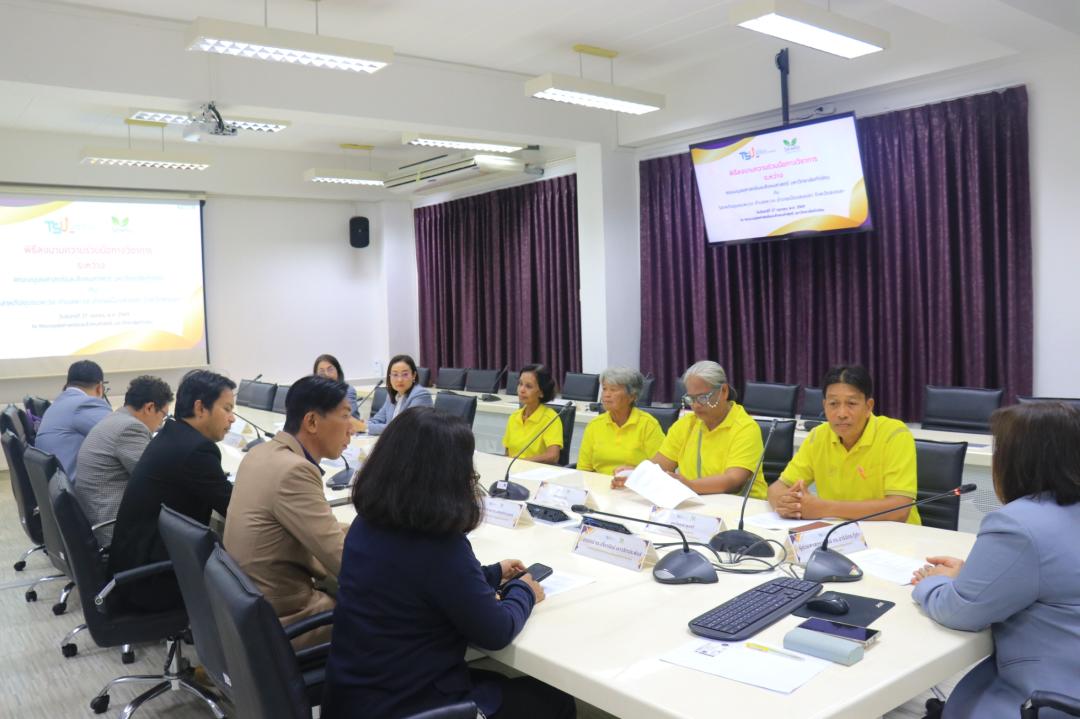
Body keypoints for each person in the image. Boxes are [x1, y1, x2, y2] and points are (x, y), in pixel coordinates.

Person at [322, 407, 576, 719]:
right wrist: (524, 591)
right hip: (409, 705)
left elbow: (420, 583)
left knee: (498, 682)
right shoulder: (440, 546)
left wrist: (492, 574)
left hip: (353, 696)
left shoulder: (366, 523)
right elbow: (496, 632)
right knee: (554, 701)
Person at [911, 402, 1080, 718]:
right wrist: (968, 576)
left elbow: (959, 612)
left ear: (1018, 461)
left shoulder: (1018, 525)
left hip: (1047, 696)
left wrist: (932, 582)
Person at [224, 375, 353, 649]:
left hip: (247, 607)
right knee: (392, 613)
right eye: (345, 416)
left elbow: (319, 528)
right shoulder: (295, 471)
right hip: (284, 619)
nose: (352, 428)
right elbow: (346, 564)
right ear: (312, 421)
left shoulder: (261, 453)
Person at [108, 370, 236, 612]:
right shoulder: (196, 450)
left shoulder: (172, 434)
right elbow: (235, 510)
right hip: (154, 581)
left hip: (132, 567)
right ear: (200, 408)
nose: (232, 419)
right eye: (227, 409)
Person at [768, 364, 920, 524]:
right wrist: (786, 504)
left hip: (893, 534)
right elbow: (777, 488)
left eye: (851, 404)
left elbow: (899, 509)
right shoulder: (818, 436)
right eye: (833, 404)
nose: (841, 414)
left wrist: (824, 508)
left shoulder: (894, 435)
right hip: (837, 531)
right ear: (824, 405)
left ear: (868, 406)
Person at [614, 361, 766, 498]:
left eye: (703, 397)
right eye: (690, 399)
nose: (696, 405)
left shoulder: (745, 428)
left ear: (724, 391)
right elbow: (660, 465)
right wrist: (635, 475)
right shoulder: (685, 425)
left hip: (740, 506)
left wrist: (691, 486)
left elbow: (734, 481)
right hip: (695, 501)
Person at [73, 376, 173, 543]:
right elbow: (156, 480)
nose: (160, 424)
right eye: (163, 416)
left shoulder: (115, 419)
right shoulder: (130, 428)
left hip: (96, 519)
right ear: (149, 408)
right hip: (113, 529)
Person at [34, 360, 112, 482]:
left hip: (57, 484)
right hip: (75, 487)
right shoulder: (85, 404)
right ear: (99, 388)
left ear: (67, 385)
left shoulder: (61, 402)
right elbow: (120, 433)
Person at [577, 367, 664, 475]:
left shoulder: (648, 425)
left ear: (632, 396)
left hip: (634, 482)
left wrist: (635, 473)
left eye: (613, 390)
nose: (606, 395)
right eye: (604, 389)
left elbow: (661, 468)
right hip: (599, 483)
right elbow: (583, 468)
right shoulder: (594, 425)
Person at [355, 354, 432, 436]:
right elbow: (377, 419)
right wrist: (361, 424)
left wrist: (365, 427)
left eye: (405, 374)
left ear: (414, 375)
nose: (399, 380)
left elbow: (403, 428)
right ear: (390, 377)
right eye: (395, 375)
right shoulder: (392, 395)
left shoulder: (421, 395)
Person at [501, 364, 563, 465]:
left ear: (541, 392)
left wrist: (521, 463)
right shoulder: (514, 417)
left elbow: (553, 456)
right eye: (520, 384)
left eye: (528, 386)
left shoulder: (551, 419)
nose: (522, 390)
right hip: (513, 470)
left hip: (536, 471)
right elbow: (508, 453)